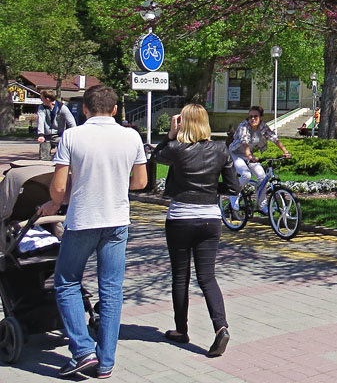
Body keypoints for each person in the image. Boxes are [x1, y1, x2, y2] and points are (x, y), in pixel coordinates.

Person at [38, 84, 148, 379]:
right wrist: (111, 184)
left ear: (84, 109)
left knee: (66, 283)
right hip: (117, 221)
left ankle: (83, 350)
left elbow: (59, 187)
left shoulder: (72, 136)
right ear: (115, 110)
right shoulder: (131, 136)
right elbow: (140, 182)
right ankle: (106, 362)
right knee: (111, 290)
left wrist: (52, 205)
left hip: (83, 220)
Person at [151, 104, 240, 358]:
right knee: (207, 277)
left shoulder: (177, 150)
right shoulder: (221, 150)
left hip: (180, 217)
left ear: (183, 123)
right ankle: (221, 327)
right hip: (210, 219)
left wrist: (169, 135)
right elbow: (233, 187)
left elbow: (156, 156)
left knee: (180, 277)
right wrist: (210, 191)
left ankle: (181, 330)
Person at [228, 106, 291, 212]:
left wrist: (285, 152)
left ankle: (262, 205)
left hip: (249, 155)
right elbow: (244, 142)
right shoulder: (244, 126)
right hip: (236, 154)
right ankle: (234, 194)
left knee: (262, 177)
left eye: (255, 116)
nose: (252, 119)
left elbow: (274, 139)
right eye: (250, 117)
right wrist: (249, 156)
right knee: (246, 175)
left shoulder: (262, 127)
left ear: (261, 117)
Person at [36, 90, 77, 160]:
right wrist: (41, 135)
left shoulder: (62, 108)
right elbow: (41, 120)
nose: (41, 100)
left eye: (42, 98)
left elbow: (71, 122)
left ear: (47, 99)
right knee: (43, 158)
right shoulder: (42, 108)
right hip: (46, 136)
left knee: (63, 157)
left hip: (59, 136)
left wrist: (74, 134)